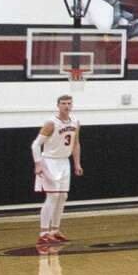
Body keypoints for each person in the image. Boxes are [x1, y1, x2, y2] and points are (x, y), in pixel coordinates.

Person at [32, 94, 82, 247]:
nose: (66, 106)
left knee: (63, 196)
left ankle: (55, 231)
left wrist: (77, 164)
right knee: (52, 196)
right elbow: (35, 145)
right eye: (63, 103)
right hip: (49, 161)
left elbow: (75, 144)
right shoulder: (51, 123)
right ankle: (43, 233)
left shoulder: (75, 122)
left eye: (69, 103)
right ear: (58, 106)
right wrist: (38, 164)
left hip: (64, 162)